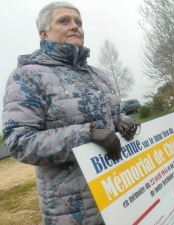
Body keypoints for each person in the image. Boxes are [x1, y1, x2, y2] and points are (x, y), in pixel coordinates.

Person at [2, 2, 139, 225]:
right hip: (74, 208)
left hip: (117, 192)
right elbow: (19, 142)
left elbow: (114, 116)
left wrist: (124, 121)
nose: (75, 26)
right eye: (64, 21)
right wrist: (87, 134)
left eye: (79, 22)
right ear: (44, 33)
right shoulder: (27, 76)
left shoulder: (99, 75)